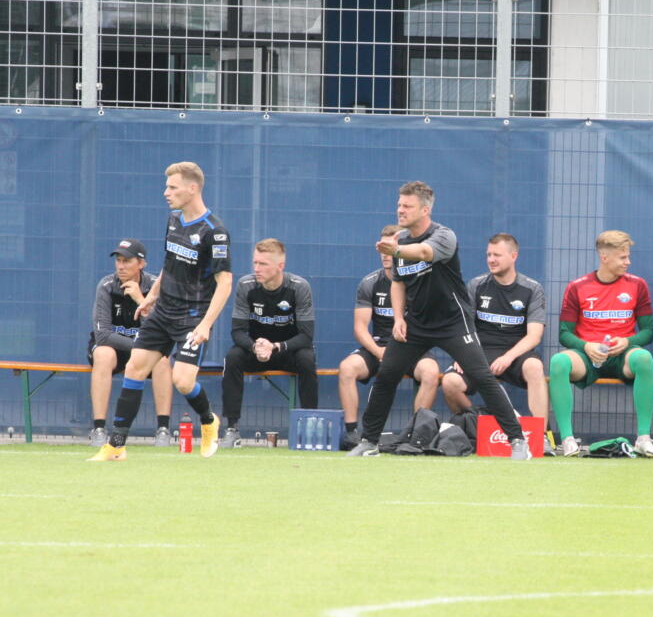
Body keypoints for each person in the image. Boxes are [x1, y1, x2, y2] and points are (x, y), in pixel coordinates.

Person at [347, 181, 529, 459]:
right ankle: (369, 441)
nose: (400, 210)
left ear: (425, 209)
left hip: (453, 322)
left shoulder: (444, 236)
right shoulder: (401, 242)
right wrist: (398, 318)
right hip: (416, 324)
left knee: (482, 376)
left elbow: (423, 253)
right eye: (399, 205)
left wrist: (393, 251)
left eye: (407, 206)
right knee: (386, 376)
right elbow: (398, 283)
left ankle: (517, 441)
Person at [88, 161, 232, 461]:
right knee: (134, 368)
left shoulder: (214, 232)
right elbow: (169, 264)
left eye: (172, 187)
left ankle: (208, 421)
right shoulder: (174, 220)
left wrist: (205, 325)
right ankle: (116, 446)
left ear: (192, 189)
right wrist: (151, 296)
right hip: (163, 312)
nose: (166, 192)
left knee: (182, 381)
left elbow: (225, 283)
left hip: (192, 317)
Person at [549, 230, 653, 458]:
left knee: (644, 358)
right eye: (623, 257)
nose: (628, 262)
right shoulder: (577, 287)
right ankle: (568, 440)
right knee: (558, 361)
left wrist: (627, 341)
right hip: (588, 357)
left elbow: (649, 332)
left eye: (628, 256)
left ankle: (643, 438)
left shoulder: (638, 285)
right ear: (604, 257)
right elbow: (564, 334)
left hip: (623, 356)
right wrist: (586, 346)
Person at [337, 225, 441, 448]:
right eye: (382, 249)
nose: (386, 254)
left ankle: (416, 435)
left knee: (432, 372)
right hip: (380, 347)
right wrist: (379, 352)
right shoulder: (369, 283)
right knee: (347, 368)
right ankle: (352, 433)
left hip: (412, 347)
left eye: (390, 248)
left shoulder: (419, 282)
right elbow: (360, 328)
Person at [220, 238, 317, 448]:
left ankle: (310, 427)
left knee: (307, 358)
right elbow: (237, 332)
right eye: (255, 263)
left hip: (287, 351)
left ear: (280, 266)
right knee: (233, 357)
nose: (257, 268)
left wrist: (276, 346)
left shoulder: (299, 287)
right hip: (257, 351)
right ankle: (232, 429)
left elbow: (306, 336)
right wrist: (255, 346)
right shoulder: (246, 285)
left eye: (263, 264)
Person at [442, 233, 548, 426]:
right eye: (489, 254)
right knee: (450, 383)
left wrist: (508, 357)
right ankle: (481, 425)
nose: (491, 260)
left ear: (513, 256)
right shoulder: (476, 285)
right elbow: (463, 326)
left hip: (515, 354)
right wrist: (462, 354)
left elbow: (534, 336)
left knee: (535, 367)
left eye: (497, 255)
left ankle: (540, 436)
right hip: (479, 353)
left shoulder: (532, 288)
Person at [87, 238, 173, 447]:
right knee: (103, 353)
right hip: (117, 350)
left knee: (162, 360)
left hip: (144, 350)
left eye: (127, 261)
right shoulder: (106, 286)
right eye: (118, 260)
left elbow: (160, 330)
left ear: (141, 264)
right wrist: (140, 348)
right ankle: (99, 429)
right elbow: (103, 336)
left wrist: (140, 300)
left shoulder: (154, 286)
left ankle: (163, 430)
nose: (121, 266)